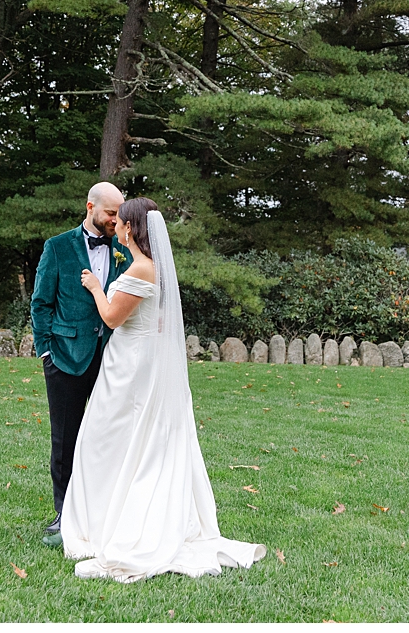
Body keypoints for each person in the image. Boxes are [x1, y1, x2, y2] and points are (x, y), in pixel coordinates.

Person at [58, 197, 266, 582]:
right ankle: (111, 512)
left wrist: (93, 287)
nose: (116, 227)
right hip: (136, 359)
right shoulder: (152, 269)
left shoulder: (141, 269)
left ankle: (109, 523)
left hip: (129, 368)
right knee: (122, 440)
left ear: (132, 229)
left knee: (100, 440)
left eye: (120, 222)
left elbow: (112, 317)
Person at [30, 182, 129, 542]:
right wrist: (46, 351)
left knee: (107, 437)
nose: (116, 221)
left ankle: (102, 511)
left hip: (113, 359)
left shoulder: (124, 247)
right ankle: (63, 513)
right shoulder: (57, 247)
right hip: (65, 358)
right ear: (90, 207)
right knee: (66, 438)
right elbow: (41, 303)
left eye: (119, 215)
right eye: (110, 214)